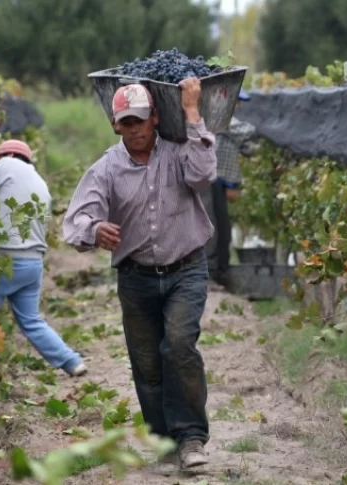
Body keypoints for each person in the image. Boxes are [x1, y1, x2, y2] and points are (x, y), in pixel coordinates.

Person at [62, 79, 215, 470]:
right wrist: (95, 230)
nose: (135, 130)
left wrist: (193, 113)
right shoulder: (106, 168)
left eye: (141, 121)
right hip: (136, 278)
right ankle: (164, 444)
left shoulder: (179, 151)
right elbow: (76, 219)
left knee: (179, 346)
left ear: (156, 118)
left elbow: (203, 175)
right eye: (126, 123)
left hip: (186, 268)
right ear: (116, 125)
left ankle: (192, 439)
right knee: (147, 364)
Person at [0, 140, 87, 391]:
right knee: (32, 320)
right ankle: (71, 361)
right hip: (33, 264)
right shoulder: (40, 182)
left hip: (5, 261)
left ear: (7, 155)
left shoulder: (5, 165)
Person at [202, 90, 257, 288]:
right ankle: (212, 272)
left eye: (240, 103)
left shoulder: (224, 124)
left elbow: (246, 147)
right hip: (212, 180)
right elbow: (243, 131)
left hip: (221, 180)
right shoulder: (219, 121)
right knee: (215, 227)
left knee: (222, 228)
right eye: (236, 102)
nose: (239, 106)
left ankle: (218, 271)